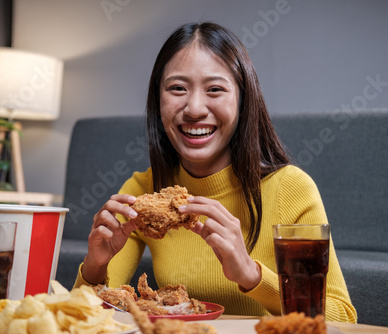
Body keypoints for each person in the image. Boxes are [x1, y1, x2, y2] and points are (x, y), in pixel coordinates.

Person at [73, 22, 357, 323]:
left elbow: (343, 319)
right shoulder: (144, 190)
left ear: (243, 100)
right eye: (177, 88)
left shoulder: (292, 189)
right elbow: (82, 319)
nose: (194, 108)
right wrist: (95, 266)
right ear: (158, 101)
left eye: (215, 90)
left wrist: (251, 274)